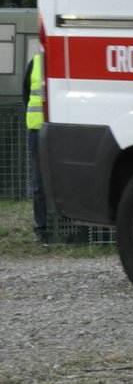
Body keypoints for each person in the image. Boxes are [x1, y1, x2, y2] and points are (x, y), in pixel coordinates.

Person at [25, 50, 45, 244]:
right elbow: (26, 96)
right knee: (39, 183)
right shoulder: (35, 63)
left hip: (59, 130)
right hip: (37, 130)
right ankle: (41, 230)